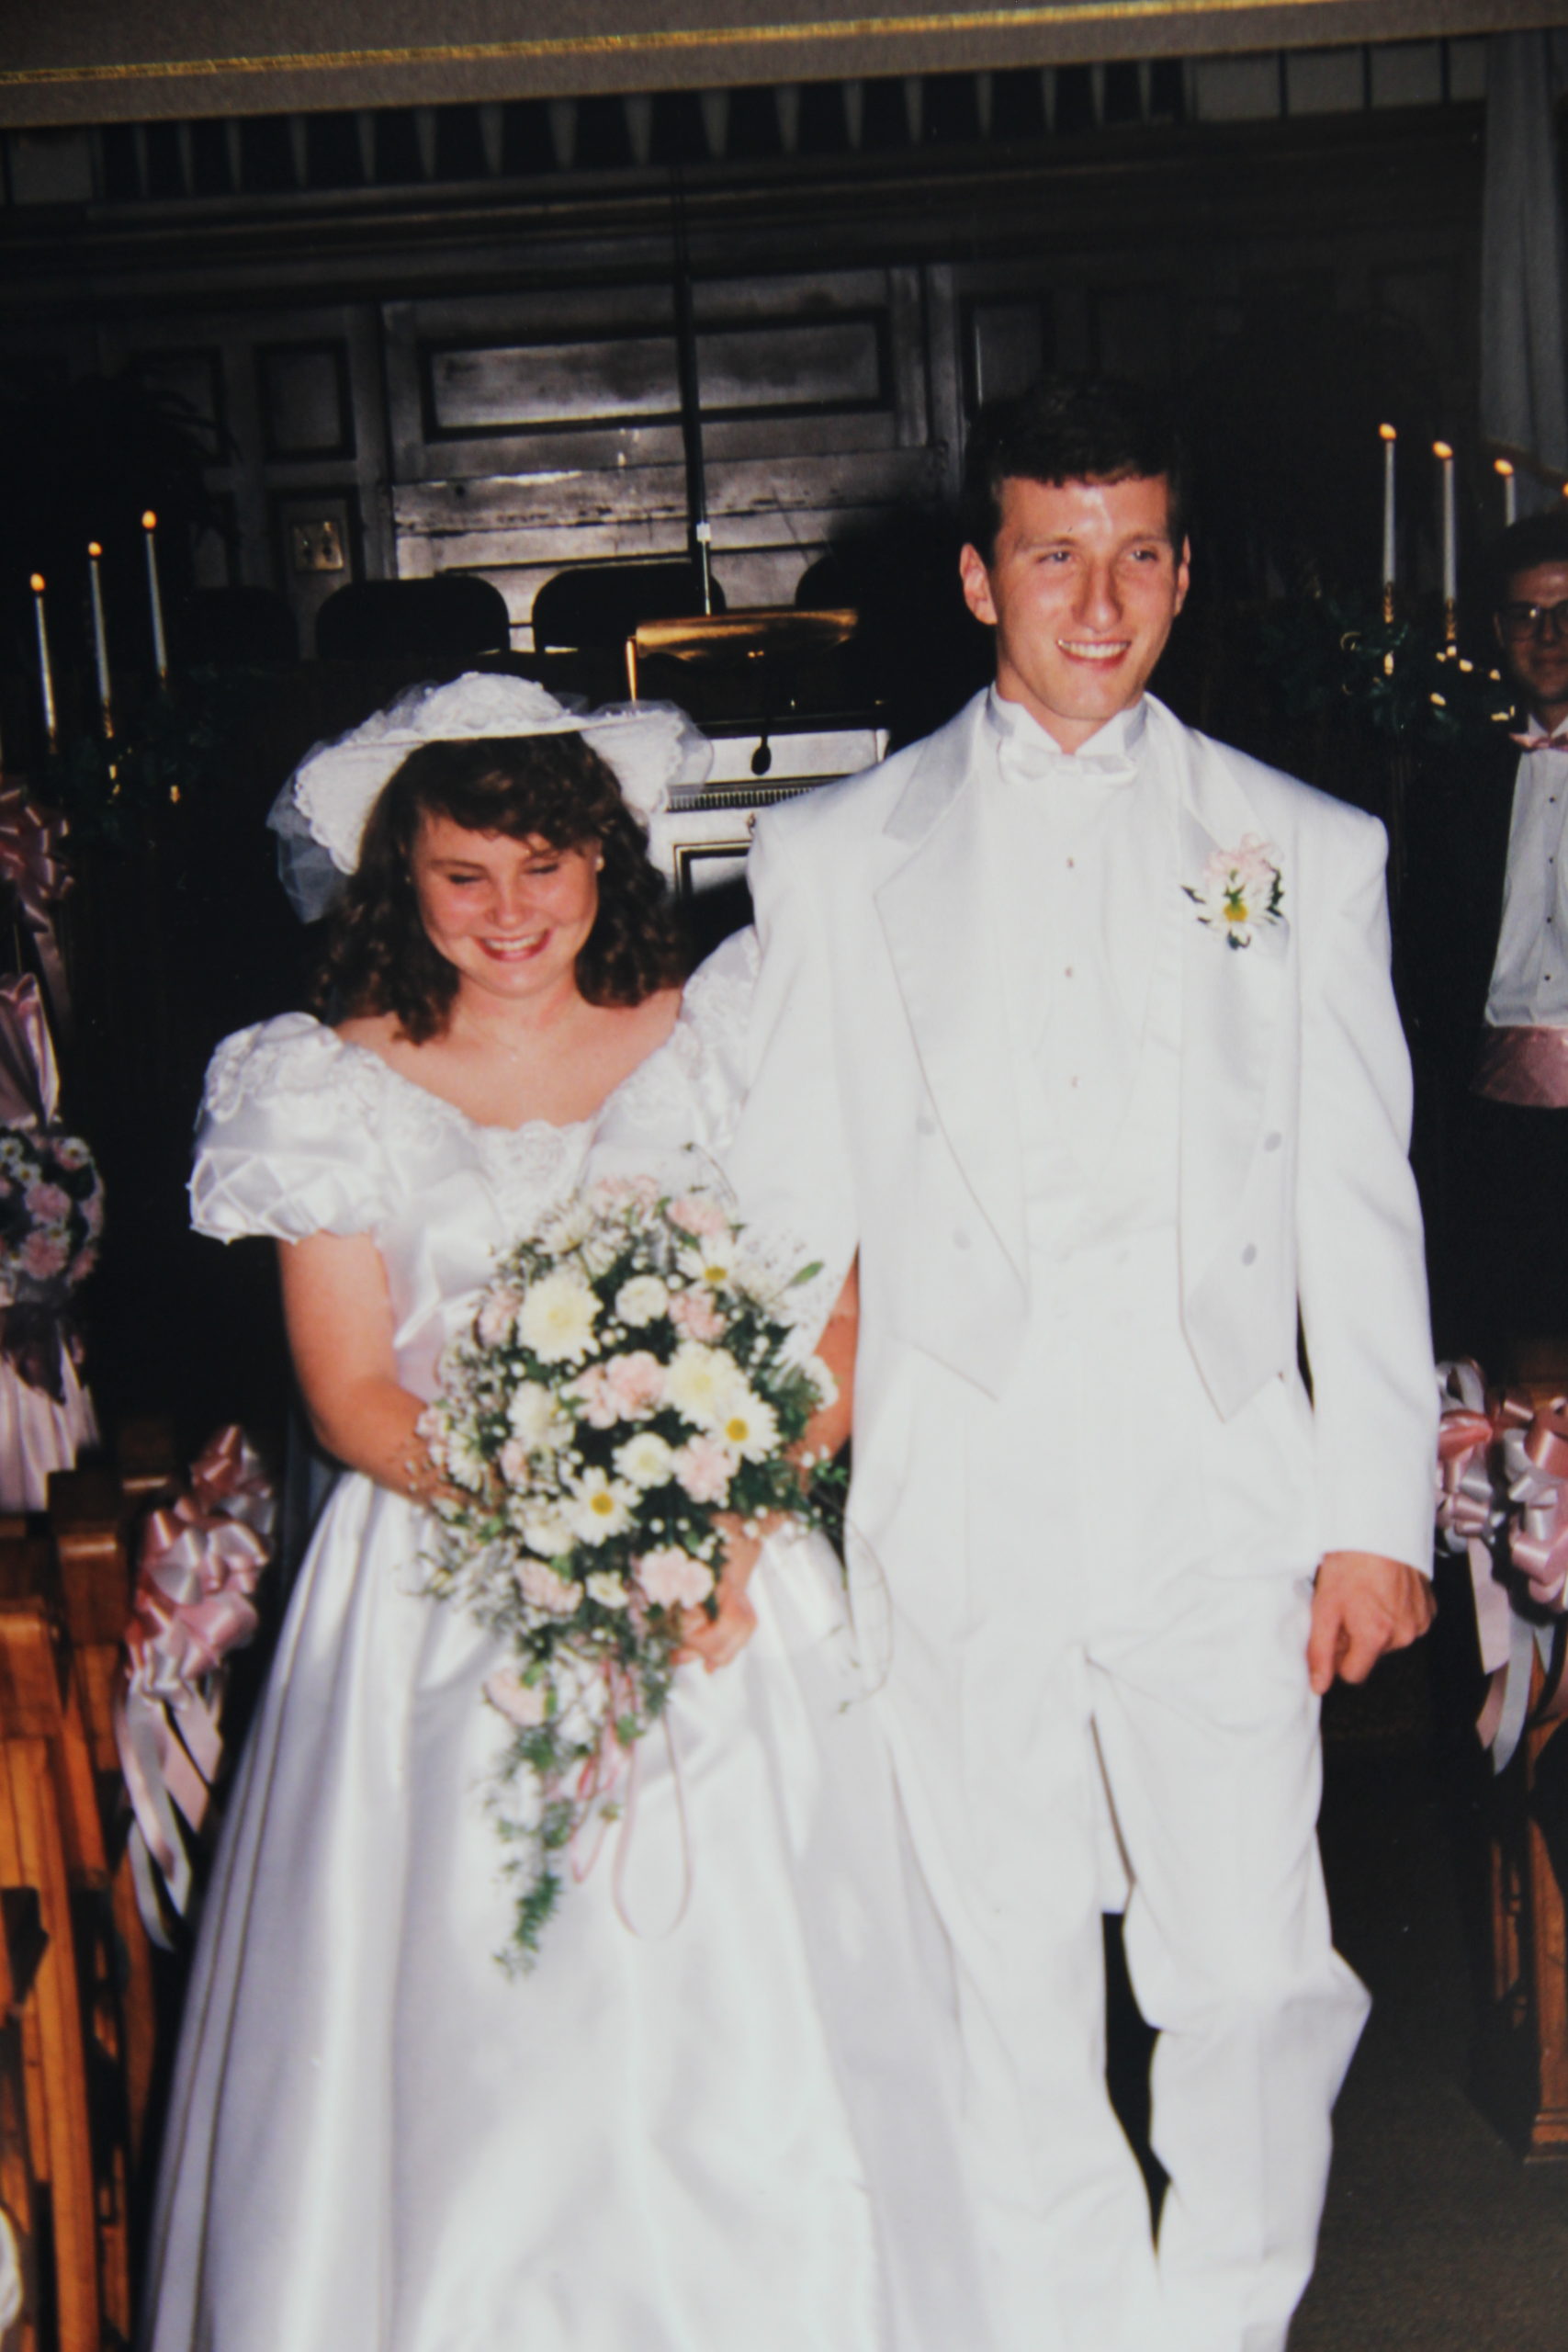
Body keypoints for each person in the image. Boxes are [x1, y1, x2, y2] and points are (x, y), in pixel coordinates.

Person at [723, 375, 1438, 2352]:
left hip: (1219, 1484)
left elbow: (1355, 1202)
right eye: (1054, 553)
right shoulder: (835, 859)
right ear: (979, 574)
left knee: (1251, 1962)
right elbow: (786, 1213)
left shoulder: (1301, 848)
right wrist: (754, 1509)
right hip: (955, 1485)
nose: (1097, 600)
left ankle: (1218, 2320)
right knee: (1002, 1965)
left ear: (1183, 570)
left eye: (1137, 553)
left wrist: (1373, 1518)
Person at [143, 675, 986, 2352]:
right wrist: (564, 1521)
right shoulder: (325, 1078)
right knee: (472, 2010)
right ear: (405, 881)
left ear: (610, 857)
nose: (510, 911)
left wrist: (716, 1513)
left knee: (757, 2003)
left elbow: (835, 1312)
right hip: (439, 1580)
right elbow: (350, 1395)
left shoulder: (723, 1032)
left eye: (544, 865)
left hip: (723, 1567)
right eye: (465, 875)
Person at [1405, 510, 1568, 1360]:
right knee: (1502, 1355)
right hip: (1491, 1126)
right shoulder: (1456, 779)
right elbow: (1425, 963)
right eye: (1523, 616)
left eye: (1565, 612)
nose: (1546, 637)